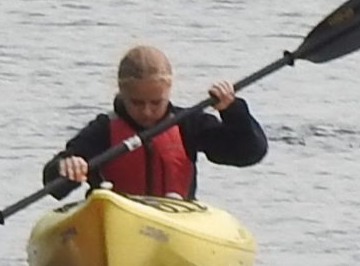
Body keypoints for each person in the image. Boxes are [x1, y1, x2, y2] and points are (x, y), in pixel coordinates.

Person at [43, 45, 267, 200]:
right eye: (138, 103)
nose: (147, 111)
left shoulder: (188, 124)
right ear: (122, 93)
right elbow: (55, 187)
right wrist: (67, 168)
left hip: (174, 222)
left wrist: (233, 110)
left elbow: (249, 153)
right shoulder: (103, 130)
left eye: (156, 102)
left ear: (169, 92)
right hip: (117, 221)